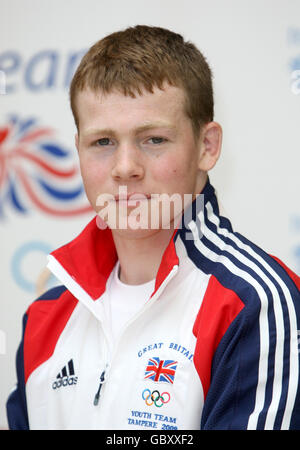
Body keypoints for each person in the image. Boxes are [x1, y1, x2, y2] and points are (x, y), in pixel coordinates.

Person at [6, 25, 300, 430]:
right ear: (78, 150)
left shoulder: (254, 302)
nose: (125, 167)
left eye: (154, 139)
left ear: (207, 146)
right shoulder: (45, 314)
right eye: (103, 142)